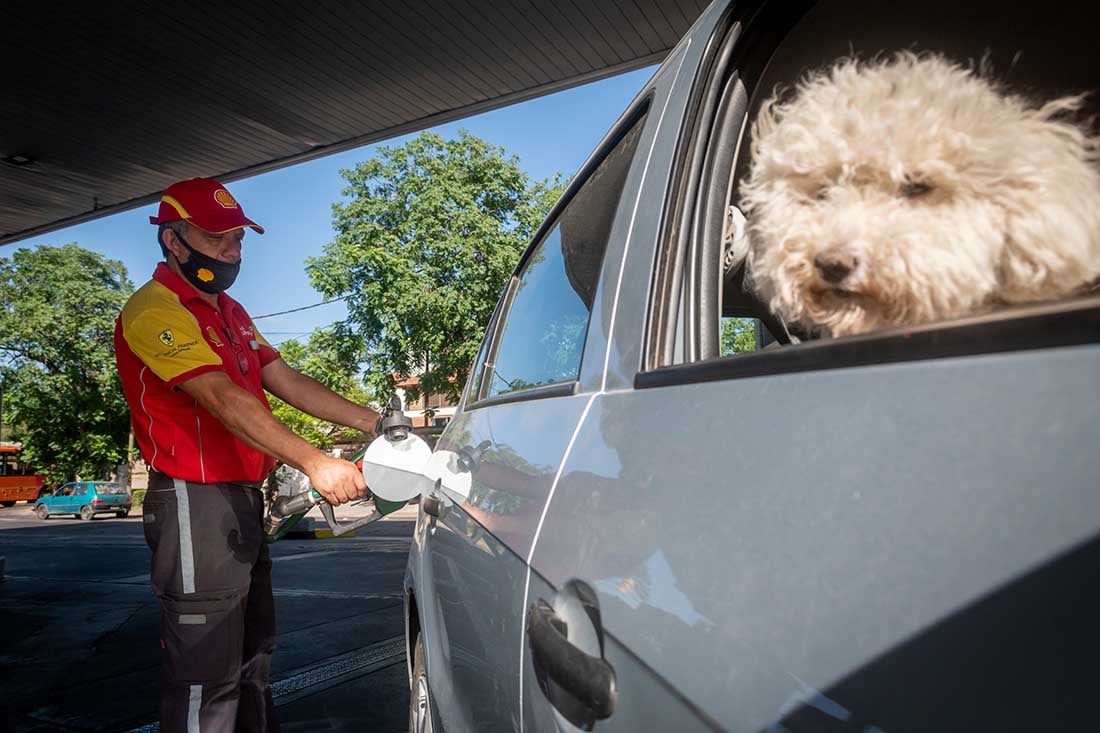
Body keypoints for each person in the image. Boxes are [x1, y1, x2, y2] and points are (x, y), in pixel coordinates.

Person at [114, 177, 378, 732]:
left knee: (253, 661)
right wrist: (314, 461)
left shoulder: (231, 313)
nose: (233, 251)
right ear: (174, 241)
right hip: (194, 503)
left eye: (238, 237)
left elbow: (284, 379)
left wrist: (375, 422)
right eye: (218, 239)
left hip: (241, 500)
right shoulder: (154, 310)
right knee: (205, 678)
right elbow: (222, 398)